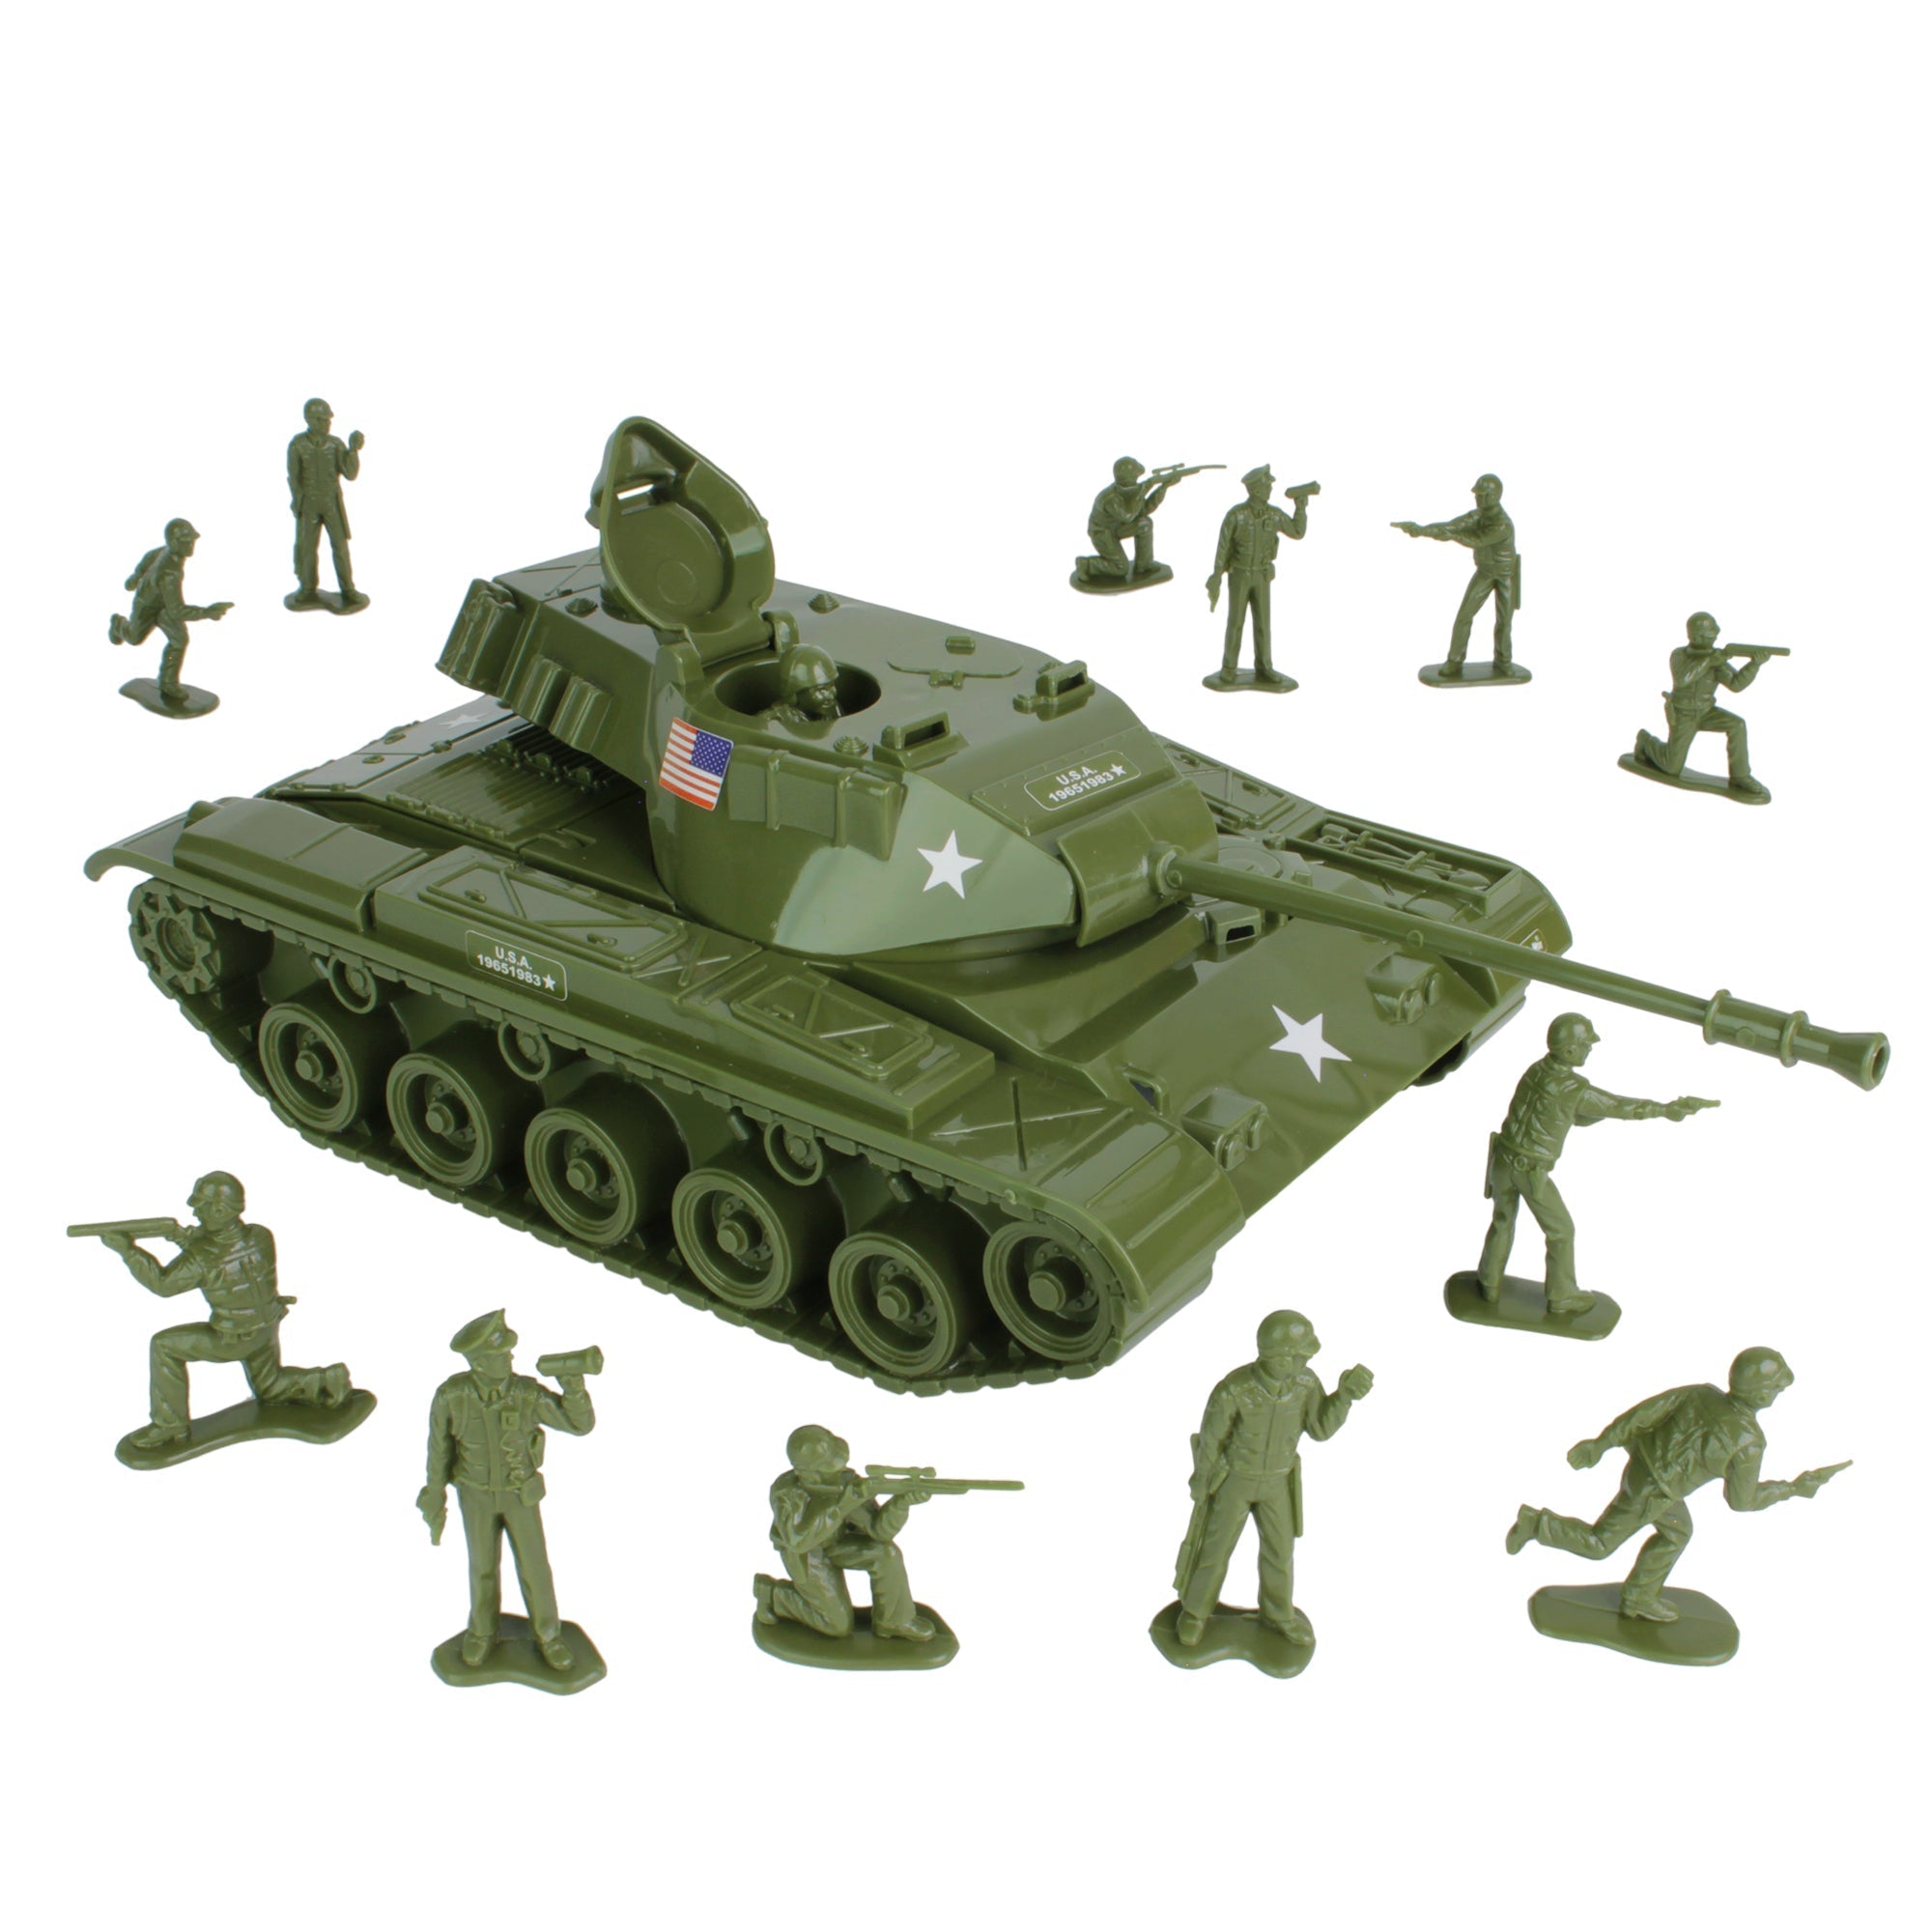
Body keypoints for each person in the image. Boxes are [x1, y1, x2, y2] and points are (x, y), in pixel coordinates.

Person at [1506, 1349, 1849, 1621]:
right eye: (1775, 1387)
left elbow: (1645, 1413)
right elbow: (1741, 1501)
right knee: (1600, 1544)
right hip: (1655, 1492)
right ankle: (1537, 1524)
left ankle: (1638, 1597)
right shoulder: (1749, 1443)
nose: (1777, 1393)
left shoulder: (1702, 1394)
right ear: (1760, 1393)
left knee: (1678, 1532)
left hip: (1642, 1470)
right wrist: (1792, 1489)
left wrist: (1603, 1442)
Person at [1477, 1013, 1715, 1315]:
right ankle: (1562, 1295)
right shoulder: (1573, 1089)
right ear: (1568, 1050)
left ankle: (1489, 1284)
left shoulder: (1536, 1070)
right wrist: (1666, 1110)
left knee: (1502, 1221)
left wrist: (1594, 1113)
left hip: (1502, 1160)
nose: (1589, 1049)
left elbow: (1567, 1115)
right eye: (1584, 1044)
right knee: (1562, 1231)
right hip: (1530, 1168)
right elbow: (1620, 1106)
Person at [100, 1172, 351, 1448]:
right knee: (271, 1387)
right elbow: (221, 1249)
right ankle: (327, 1379)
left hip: (233, 1339)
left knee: (164, 1346)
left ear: (219, 1210)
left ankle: (170, 1426)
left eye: (201, 1206)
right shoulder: (261, 1235)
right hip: (267, 1329)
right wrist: (185, 1238)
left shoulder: (201, 1258)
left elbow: (163, 1284)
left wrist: (129, 1252)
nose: (195, 1212)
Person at [1172, 1310, 1372, 1646]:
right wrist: (1203, 1479)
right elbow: (1211, 1439)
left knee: (1280, 1553)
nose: (1306, 1362)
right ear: (1281, 1358)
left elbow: (1320, 1429)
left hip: (1277, 1483)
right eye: (1301, 1356)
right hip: (1235, 1481)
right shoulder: (1235, 1389)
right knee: (1214, 1551)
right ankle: (1194, 1614)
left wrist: (1344, 1398)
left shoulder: (1306, 1385)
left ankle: (1278, 1615)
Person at [418, 1311, 596, 1673]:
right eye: (500, 1355)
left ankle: (549, 1635)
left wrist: (574, 1389)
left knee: (534, 1567)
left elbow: (579, 1425)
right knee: (482, 1566)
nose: (509, 1358)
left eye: (509, 1352)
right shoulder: (452, 1396)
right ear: (479, 1363)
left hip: (519, 1496)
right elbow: (438, 1449)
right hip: (475, 1496)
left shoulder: (525, 1394)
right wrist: (435, 1492)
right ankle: (482, 1632)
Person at [753, 1424, 936, 1641]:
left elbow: (879, 1531)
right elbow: (798, 1541)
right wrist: (842, 1505)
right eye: (830, 1468)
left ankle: (894, 1621)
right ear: (807, 1474)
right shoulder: (787, 1492)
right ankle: (773, 1595)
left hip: (836, 1542)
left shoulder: (844, 1483)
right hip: (807, 1555)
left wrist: (901, 1504)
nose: (839, 1471)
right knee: (836, 1626)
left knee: (886, 1554)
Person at [1630, 611, 1774, 799]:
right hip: (1683, 713)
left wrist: (1754, 665)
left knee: (1737, 725)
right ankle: (1646, 741)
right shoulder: (1679, 655)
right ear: (1695, 637)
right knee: (1671, 768)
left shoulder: (1716, 659)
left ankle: (1741, 776)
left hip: (1707, 712)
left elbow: (1736, 684)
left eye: (1714, 635)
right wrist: (1709, 661)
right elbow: (1682, 678)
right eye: (1709, 635)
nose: (1714, 638)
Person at [1393, 472, 1519, 675]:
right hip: (1485, 572)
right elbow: (1451, 526)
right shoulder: (1478, 515)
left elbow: (1477, 540)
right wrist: (1422, 530)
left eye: (1482, 495)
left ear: (1495, 496)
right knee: (1464, 615)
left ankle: (1503, 661)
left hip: (1505, 575)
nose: (1477, 498)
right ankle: (1455, 660)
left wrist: (1450, 535)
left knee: (1504, 622)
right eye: (1477, 494)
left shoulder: (1502, 524)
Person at [1204, 465, 1313, 689]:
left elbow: (1297, 532)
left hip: (1262, 576)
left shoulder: (1274, 514)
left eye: (1269, 486)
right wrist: (1217, 575)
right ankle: (1229, 668)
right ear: (1254, 490)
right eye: (1266, 487)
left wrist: (1300, 507)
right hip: (1240, 575)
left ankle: (1264, 667)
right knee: (1236, 622)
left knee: (1263, 623)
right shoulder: (1236, 515)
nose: (1270, 490)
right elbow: (1222, 548)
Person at [106, 519, 231, 706]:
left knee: (179, 639)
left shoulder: (166, 551)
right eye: (186, 541)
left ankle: (168, 682)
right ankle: (118, 625)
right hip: (147, 606)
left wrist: (136, 576)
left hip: (164, 606)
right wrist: (207, 612)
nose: (191, 545)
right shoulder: (169, 574)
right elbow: (177, 611)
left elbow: (149, 557)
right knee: (134, 638)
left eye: (192, 540)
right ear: (174, 542)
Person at [286, 397, 367, 611]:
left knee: (340, 547)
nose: (327, 423)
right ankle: (307, 589)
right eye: (321, 419)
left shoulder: (336, 444)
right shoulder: (298, 445)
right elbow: (293, 477)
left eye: (328, 419)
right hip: (309, 503)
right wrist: (298, 502)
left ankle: (348, 589)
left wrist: (353, 450)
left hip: (331, 502)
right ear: (310, 420)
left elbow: (350, 473)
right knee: (307, 548)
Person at [1073, 456, 1177, 587]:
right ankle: (1086, 564)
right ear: (1129, 478)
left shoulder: (1130, 490)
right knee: (1121, 568)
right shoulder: (1110, 498)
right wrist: (1145, 488)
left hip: (1117, 526)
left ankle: (1144, 564)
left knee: (1145, 524)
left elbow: (1144, 509)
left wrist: (1163, 487)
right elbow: (1128, 516)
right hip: (1102, 533)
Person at [761, 642, 843, 725]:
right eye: (821, 690)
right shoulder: (776, 718)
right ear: (793, 695)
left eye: (832, 686)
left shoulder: (830, 706)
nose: (831, 696)